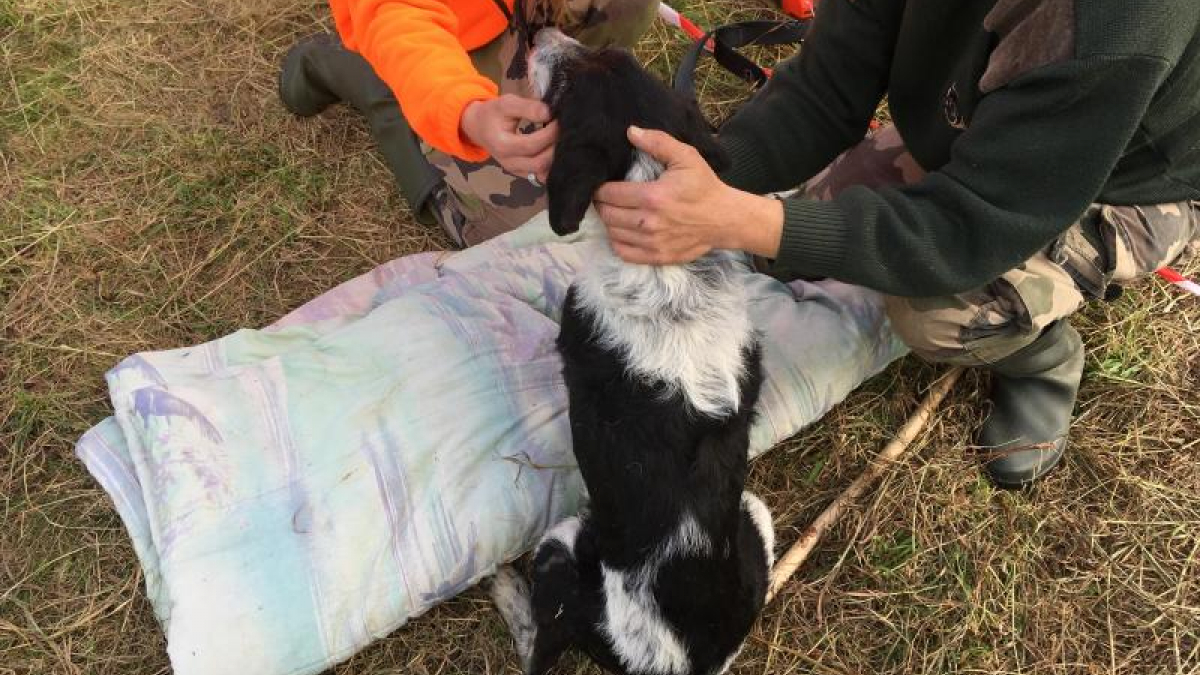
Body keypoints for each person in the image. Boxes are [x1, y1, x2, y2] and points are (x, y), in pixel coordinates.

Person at [592, 0, 1200, 488]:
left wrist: (742, 221)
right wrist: (707, 174)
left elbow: (968, 231)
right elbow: (825, 91)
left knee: (937, 309)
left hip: (1128, 179)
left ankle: (1043, 359)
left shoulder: (1114, 23)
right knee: (825, 216)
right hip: (995, 125)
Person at [278, 0, 655, 247]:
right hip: (438, 30)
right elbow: (395, 15)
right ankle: (366, 76)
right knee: (532, 240)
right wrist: (465, 111)